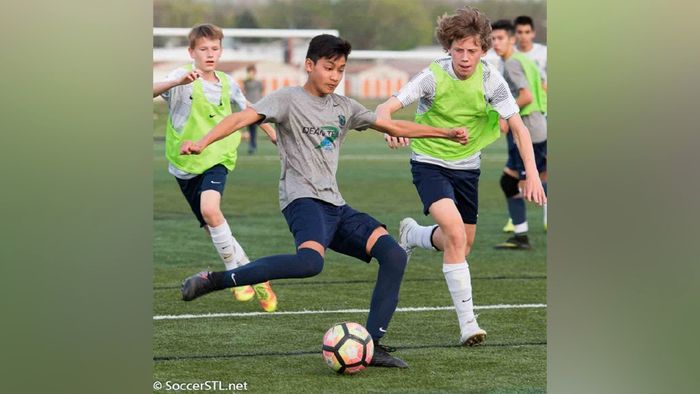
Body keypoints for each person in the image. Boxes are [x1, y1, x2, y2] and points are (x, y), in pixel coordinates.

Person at [178, 34, 469, 368]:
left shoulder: (344, 107)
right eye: (329, 68)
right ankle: (214, 280)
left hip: (336, 205)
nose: (335, 76)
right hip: (302, 200)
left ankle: (372, 344)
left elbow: (390, 123)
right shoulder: (287, 99)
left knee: (392, 254)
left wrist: (444, 133)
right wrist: (203, 141)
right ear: (309, 65)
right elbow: (241, 118)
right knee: (310, 263)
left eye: (341, 70)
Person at [377, 7, 546, 346]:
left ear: (483, 50)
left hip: (468, 169)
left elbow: (518, 128)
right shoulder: (431, 76)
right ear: (447, 48)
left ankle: (413, 235)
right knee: (454, 233)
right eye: (458, 50)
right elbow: (385, 108)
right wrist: (388, 127)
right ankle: (468, 323)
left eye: (472, 51)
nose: (465, 58)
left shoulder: (490, 80)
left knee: (461, 245)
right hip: (430, 163)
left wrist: (532, 175)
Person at [152, 23, 278, 312]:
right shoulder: (180, 77)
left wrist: (270, 131)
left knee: (211, 210)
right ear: (191, 52)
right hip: (184, 164)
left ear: (220, 50)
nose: (210, 54)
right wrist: (176, 83)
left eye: (215, 49)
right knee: (213, 228)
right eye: (203, 49)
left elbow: (247, 106)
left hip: (218, 155)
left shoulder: (226, 82)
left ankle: (235, 277)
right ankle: (257, 277)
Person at [490, 19, 548, 250]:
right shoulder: (522, 59)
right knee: (520, 180)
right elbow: (541, 86)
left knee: (519, 182)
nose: (495, 42)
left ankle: (522, 236)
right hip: (536, 126)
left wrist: (504, 116)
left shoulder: (512, 62)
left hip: (528, 131)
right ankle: (521, 236)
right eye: (492, 38)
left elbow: (526, 97)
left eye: (500, 38)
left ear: (512, 39)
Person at [514, 15, 547, 91]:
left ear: (533, 33)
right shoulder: (509, 54)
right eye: (519, 32)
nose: (523, 36)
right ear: (514, 34)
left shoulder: (544, 52)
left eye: (527, 32)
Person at [242, 64, 264, 154]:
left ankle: (253, 145)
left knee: (256, 127)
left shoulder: (258, 83)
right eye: (249, 71)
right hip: (249, 107)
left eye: (252, 71)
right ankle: (252, 145)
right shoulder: (246, 82)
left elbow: (261, 92)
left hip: (257, 106)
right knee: (250, 128)